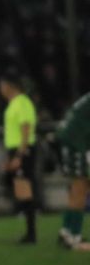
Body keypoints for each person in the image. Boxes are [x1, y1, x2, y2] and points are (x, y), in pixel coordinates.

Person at [0, 76, 39, 244]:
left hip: (23, 149)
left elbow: (25, 129)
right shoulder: (14, 104)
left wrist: (19, 155)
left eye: (2, 86)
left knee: (24, 189)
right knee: (20, 189)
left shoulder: (22, 102)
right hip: (16, 149)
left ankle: (31, 234)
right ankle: (29, 231)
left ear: (9, 86)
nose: (1, 90)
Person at [52, 92, 90, 250]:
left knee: (79, 187)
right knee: (80, 187)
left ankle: (67, 232)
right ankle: (74, 238)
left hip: (73, 140)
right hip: (76, 141)